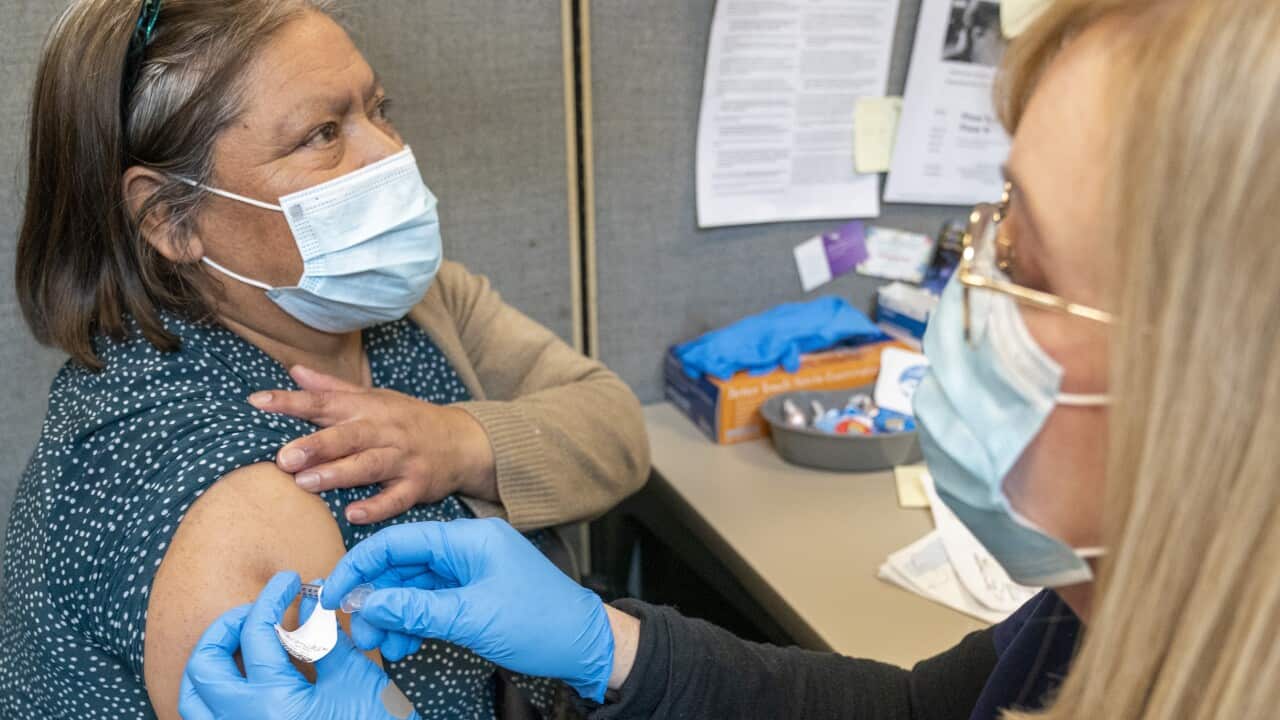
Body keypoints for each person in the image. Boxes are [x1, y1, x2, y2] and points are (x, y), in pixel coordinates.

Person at [184, 0, 1280, 717]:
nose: (966, 289)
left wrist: (474, 443)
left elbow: (604, 425)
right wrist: (612, 647)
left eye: (1024, 256)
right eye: (984, 226)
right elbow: (912, 713)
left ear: (1217, 377)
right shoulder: (1096, 622)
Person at [0, 1, 650, 718]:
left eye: (378, 109)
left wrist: (458, 442)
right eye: (323, 134)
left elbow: (616, 428)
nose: (392, 155)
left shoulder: (410, 307)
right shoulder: (231, 498)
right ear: (169, 218)